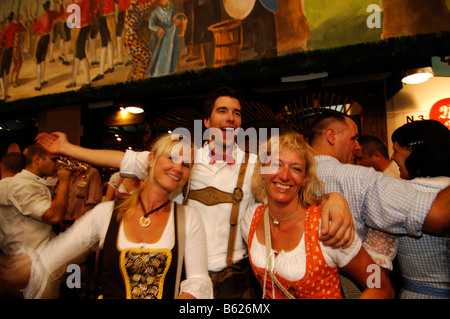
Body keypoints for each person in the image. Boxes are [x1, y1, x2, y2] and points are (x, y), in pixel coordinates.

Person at [35, 87, 355, 299]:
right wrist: (67, 147)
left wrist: (333, 198)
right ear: (207, 121)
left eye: (236, 113)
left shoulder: (255, 164)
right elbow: (122, 160)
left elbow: (298, 177)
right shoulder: (183, 160)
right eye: (223, 111)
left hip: (236, 281)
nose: (230, 117)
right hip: (184, 275)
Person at [1, 133, 212, 299]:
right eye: (172, 158)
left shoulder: (188, 218)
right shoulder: (105, 214)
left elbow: (198, 281)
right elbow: (56, 253)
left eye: (186, 165)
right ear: (150, 159)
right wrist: (30, 267)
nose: (178, 168)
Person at [242, 132, 394, 299]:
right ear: (262, 171)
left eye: (296, 168)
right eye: (276, 165)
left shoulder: (327, 225)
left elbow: (380, 286)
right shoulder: (252, 218)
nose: (284, 176)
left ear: (305, 178)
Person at [308, 111, 450, 238]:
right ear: (331, 136)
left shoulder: (295, 180)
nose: (358, 146)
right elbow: (437, 216)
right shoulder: (358, 179)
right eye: (353, 138)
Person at [391, 119, 450, 299]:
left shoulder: (397, 195)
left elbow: (375, 262)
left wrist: (374, 287)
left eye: (396, 151)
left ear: (414, 151)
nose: (392, 157)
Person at [32, 1, 64, 91]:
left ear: (43, 8)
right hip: (47, 37)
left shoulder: (41, 19)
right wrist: (60, 5)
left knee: (38, 61)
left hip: (42, 38)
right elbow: (60, 13)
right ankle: (41, 80)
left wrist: (34, 20)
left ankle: (38, 85)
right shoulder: (51, 14)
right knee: (42, 59)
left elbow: (34, 31)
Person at [146, 0, 182, 77]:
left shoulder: (172, 9)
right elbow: (150, 25)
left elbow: (178, 17)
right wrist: (158, 29)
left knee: (171, 53)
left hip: (171, 35)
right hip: (161, 37)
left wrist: (178, 20)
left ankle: (170, 70)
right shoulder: (156, 11)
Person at [0, 12, 25, 101]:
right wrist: (20, 21)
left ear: (7, 21)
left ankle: (3, 96)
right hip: (11, 51)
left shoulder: (5, 30)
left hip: (5, 51)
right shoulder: (14, 26)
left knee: (1, 74)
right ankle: (5, 94)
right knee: (6, 73)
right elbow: (23, 28)